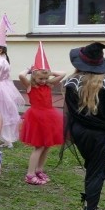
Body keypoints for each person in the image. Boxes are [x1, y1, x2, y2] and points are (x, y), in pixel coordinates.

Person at [64, 43, 105, 210]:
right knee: (97, 171)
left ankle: (90, 202)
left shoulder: (72, 83)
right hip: (99, 135)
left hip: (79, 132)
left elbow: (72, 112)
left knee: (92, 167)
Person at [19, 44, 65, 185]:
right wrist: (30, 69)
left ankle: (39, 169)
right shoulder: (30, 86)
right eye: (41, 78)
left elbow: (62, 74)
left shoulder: (48, 85)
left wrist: (46, 72)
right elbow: (21, 75)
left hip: (49, 117)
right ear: (34, 77)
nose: (44, 81)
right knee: (39, 146)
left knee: (47, 145)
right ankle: (30, 174)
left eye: (46, 78)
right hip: (37, 117)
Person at [0, 17, 23, 147]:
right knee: (8, 111)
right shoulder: (4, 60)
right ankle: (8, 138)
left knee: (0, 111)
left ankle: (4, 137)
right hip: (7, 87)